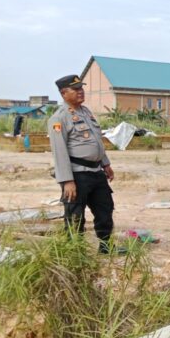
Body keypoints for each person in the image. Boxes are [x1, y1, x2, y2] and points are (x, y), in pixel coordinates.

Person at [49, 74, 122, 254]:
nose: (81, 92)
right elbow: (59, 152)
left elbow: (97, 141)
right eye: (76, 89)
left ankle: (106, 247)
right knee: (75, 215)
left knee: (105, 208)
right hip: (76, 174)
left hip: (96, 171)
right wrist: (67, 181)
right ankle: (75, 253)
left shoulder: (86, 112)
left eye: (81, 88)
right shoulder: (59, 118)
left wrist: (106, 164)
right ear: (64, 93)